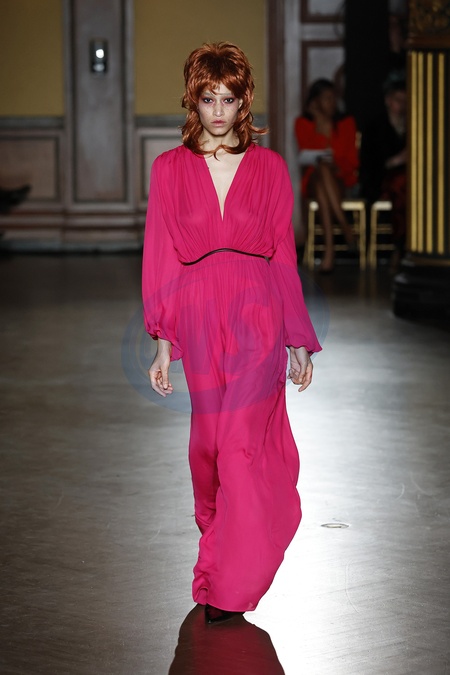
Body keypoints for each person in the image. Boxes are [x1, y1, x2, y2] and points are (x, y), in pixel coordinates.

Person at [142, 42, 321, 625]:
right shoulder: (168, 170)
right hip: (198, 321)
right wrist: (163, 342)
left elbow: (283, 257)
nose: (218, 111)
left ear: (245, 102)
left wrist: (296, 337)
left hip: (257, 317)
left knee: (242, 448)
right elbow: (161, 258)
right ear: (192, 101)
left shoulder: (269, 169)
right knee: (210, 451)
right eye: (208, 98)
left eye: (229, 98)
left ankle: (230, 587)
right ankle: (218, 559)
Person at [295, 79, 359, 273]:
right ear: (315, 102)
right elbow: (308, 155)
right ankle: (345, 227)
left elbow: (352, 160)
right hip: (313, 179)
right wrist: (321, 127)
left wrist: (335, 164)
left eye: (333, 98)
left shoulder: (346, 123)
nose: (332, 103)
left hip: (340, 177)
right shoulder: (303, 123)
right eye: (327, 99)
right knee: (321, 169)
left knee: (323, 179)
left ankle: (329, 252)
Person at [360, 71, 407, 268]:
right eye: (398, 100)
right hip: (380, 181)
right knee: (401, 187)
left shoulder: (413, 125)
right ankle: (401, 246)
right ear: (388, 100)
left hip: (408, 180)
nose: (402, 105)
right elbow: (370, 163)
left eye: (405, 101)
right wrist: (396, 160)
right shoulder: (375, 127)